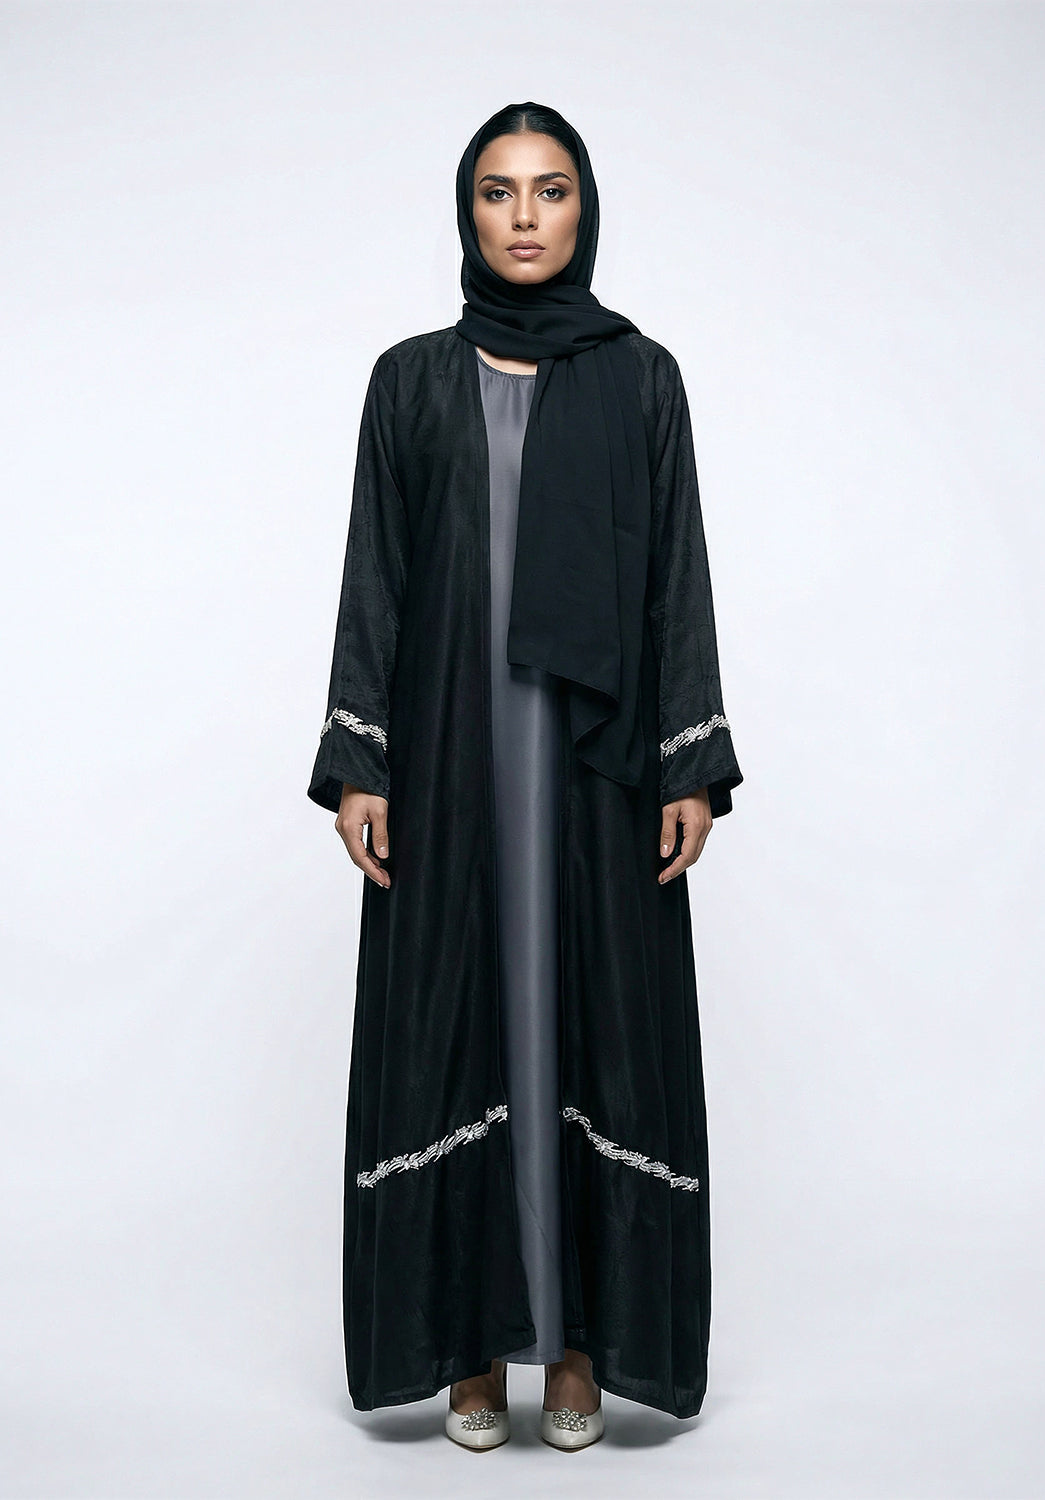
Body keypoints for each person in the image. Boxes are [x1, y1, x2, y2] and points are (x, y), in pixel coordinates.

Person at [307, 101, 743, 1452]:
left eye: (549, 190)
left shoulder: (642, 378)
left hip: (593, 762)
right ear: (467, 212)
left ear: (584, 207)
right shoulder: (409, 382)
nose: (524, 217)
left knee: (592, 1019)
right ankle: (470, 1351)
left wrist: (687, 759)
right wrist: (361, 760)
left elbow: (676, 573)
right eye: (498, 192)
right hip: (451, 752)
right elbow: (376, 575)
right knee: (459, 1019)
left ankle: (582, 1348)